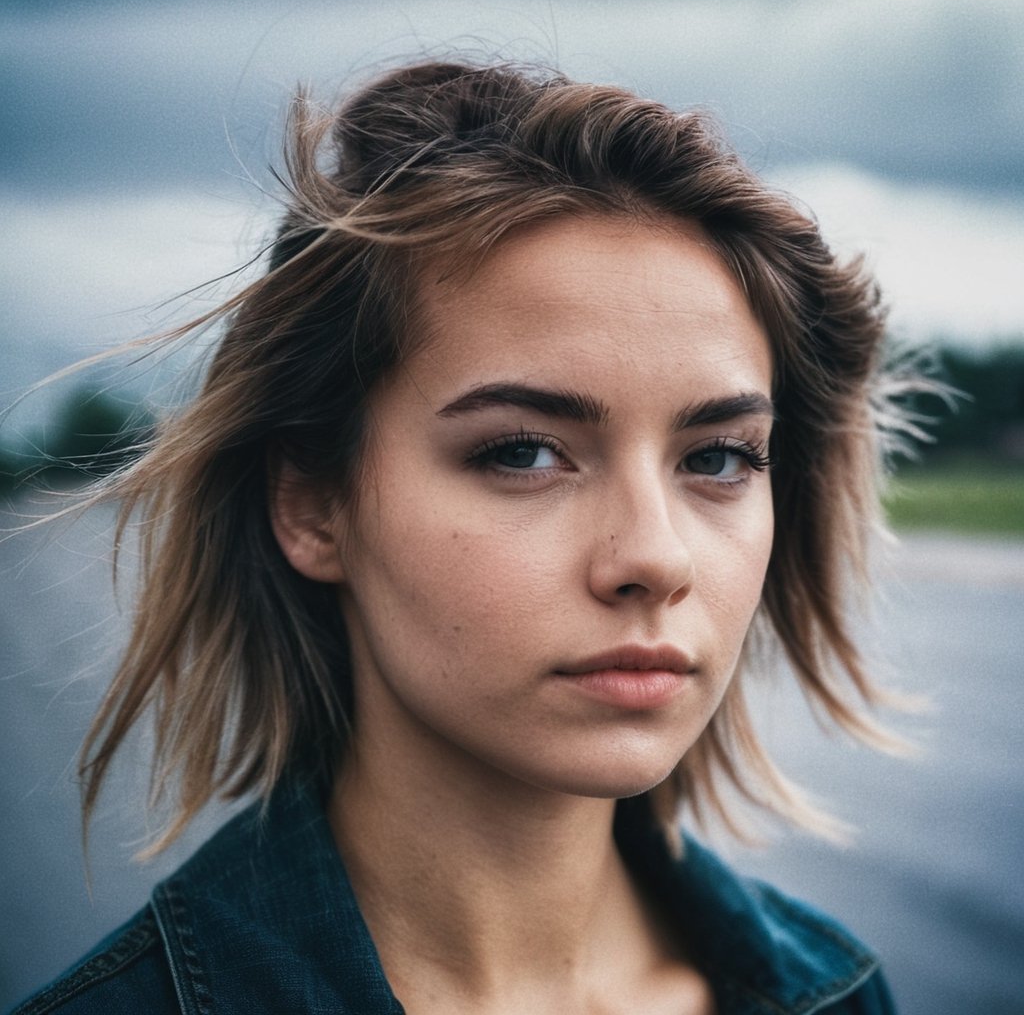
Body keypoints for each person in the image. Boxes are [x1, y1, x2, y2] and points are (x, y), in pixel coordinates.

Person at [9, 59, 906, 1014]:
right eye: (523, 452)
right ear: (314, 506)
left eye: (720, 458)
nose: (655, 557)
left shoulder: (838, 994)